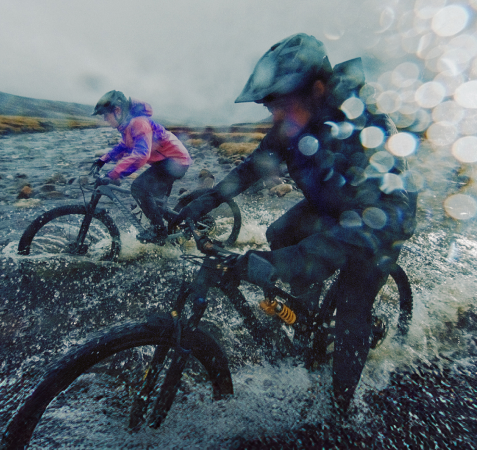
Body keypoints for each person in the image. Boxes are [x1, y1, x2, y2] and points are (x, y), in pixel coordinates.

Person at [172, 33, 417, 413]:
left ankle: (338, 414)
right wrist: (205, 200)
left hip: (379, 224)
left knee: (353, 301)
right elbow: (252, 167)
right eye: (271, 108)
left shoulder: (372, 130)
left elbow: (383, 217)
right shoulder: (291, 125)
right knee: (279, 233)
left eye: (281, 105)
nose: (276, 117)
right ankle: (304, 321)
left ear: (318, 90)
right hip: (331, 206)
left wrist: (288, 261)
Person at [91, 90, 192, 245]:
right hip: (165, 162)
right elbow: (123, 146)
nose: (105, 119)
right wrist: (101, 160)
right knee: (157, 205)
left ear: (117, 111)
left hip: (175, 162)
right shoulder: (127, 127)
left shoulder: (139, 123)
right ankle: (174, 233)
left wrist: (114, 174)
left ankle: (159, 231)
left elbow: (141, 154)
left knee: (138, 188)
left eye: (106, 115)